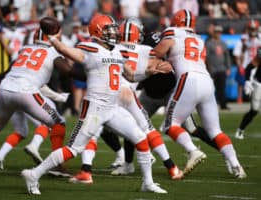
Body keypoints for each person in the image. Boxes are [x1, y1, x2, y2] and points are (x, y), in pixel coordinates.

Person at [21, 14, 171, 195]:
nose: (115, 32)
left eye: (114, 29)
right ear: (99, 31)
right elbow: (69, 52)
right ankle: (33, 174)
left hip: (112, 106)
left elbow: (130, 76)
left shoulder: (117, 50)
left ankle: (147, 183)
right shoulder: (90, 48)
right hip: (94, 107)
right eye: (110, 29)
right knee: (73, 149)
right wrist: (53, 39)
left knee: (140, 138)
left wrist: (148, 72)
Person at [68, 19, 184, 184]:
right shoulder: (146, 49)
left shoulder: (112, 48)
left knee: (92, 131)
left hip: (109, 92)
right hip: (129, 94)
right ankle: (172, 167)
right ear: (138, 35)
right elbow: (156, 64)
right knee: (149, 130)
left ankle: (86, 169)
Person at [0, 17, 69, 178]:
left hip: (5, 89)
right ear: (53, 36)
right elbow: (68, 71)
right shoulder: (53, 51)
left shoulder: (25, 49)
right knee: (58, 122)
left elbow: (22, 73)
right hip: (26, 92)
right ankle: (57, 165)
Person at [153, 9, 247, 178]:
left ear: (177, 21)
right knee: (215, 131)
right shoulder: (198, 39)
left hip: (189, 79)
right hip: (206, 81)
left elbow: (160, 51)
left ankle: (193, 151)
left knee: (170, 124)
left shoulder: (172, 31)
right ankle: (236, 166)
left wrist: (153, 56)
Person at [235, 47, 261, 139]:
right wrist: (247, 81)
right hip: (259, 84)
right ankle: (240, 129)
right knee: (254, 110)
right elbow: (249, 67)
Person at [233, 19, 261, 104]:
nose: (252, 30)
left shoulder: (260, 37)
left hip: (258, 64)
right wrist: (239, 65)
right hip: (246, 64)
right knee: (242, 83)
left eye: (254, 28)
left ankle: (255, 100)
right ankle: (240, 98)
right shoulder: (243, 39)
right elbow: (237, 53)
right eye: (251, 28)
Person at [205, 25, 231, 110]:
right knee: (211, 88)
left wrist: (228, 67)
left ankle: (223, 104)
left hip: (222, 68)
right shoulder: (209, 43)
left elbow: (227, 56)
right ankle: (210, 105)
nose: (218, 34)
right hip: (213, 69)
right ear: (214, 33)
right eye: (217, 32)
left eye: (220, 32)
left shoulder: (223, 43)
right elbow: (207, 57)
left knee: (222, 87)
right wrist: (209, 68)